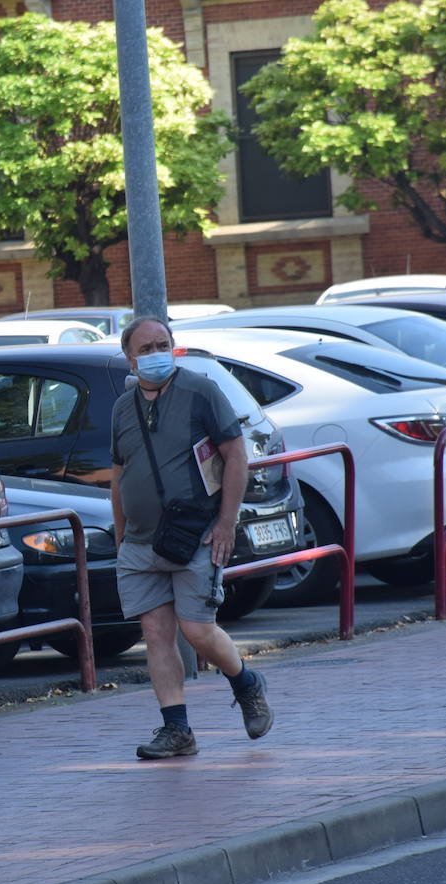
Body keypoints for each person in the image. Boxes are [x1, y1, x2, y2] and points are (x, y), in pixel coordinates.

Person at [110, 316, 273, 759]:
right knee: (156, 634)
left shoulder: (201, 390)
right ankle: (177, 729)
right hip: (141, 543)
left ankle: (246, 682)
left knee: (198, 630)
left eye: (163, 344)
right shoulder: (124, 406)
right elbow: (119, 473)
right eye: (146, 348)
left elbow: (236, 455)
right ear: (130, 356)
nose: (156, 353)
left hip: (196, 535)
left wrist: (226, 523)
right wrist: (123, 536)